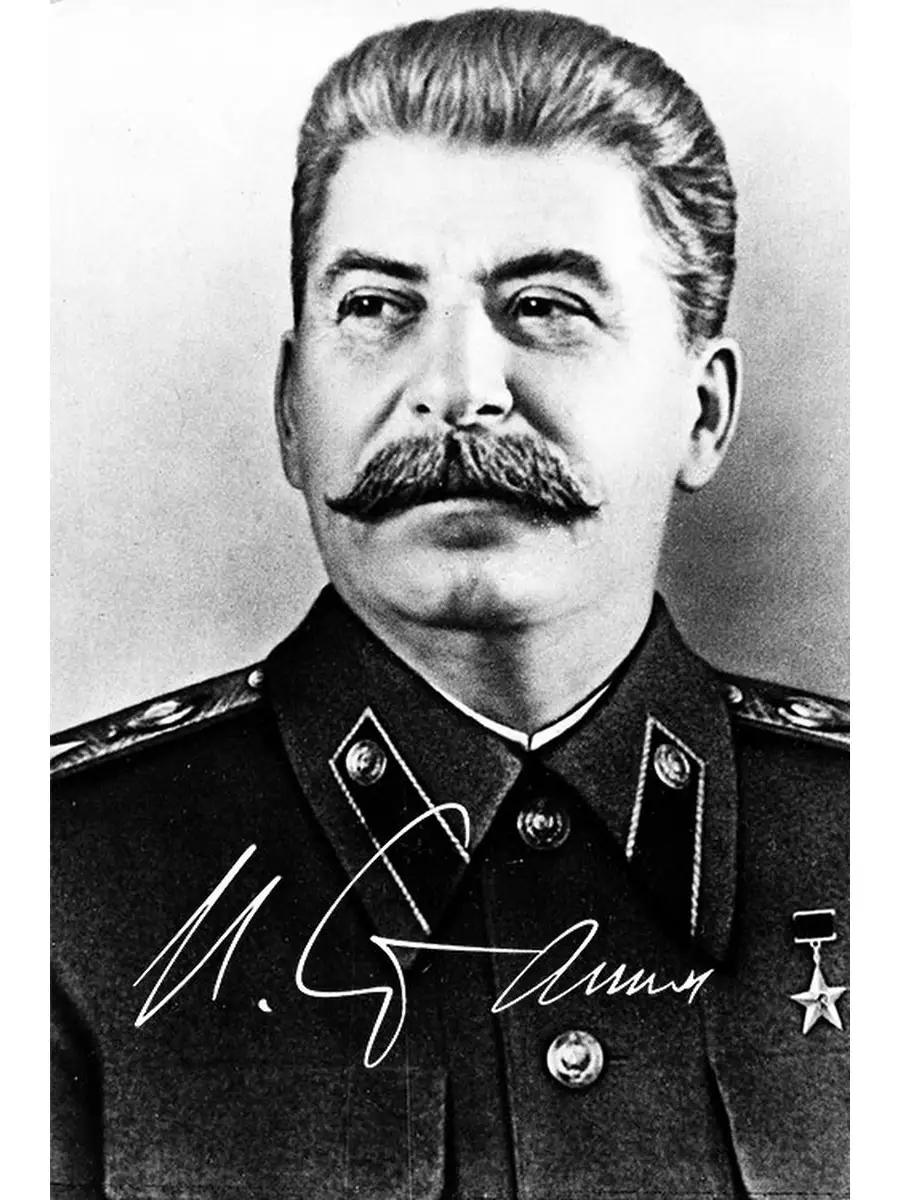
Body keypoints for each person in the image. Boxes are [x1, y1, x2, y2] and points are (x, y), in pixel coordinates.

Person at [51, 9, 849, 1198]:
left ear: (703, 411)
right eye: (378, 307)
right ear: (292, 410)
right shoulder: (52, 890)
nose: (460, 390)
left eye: (548, 306)